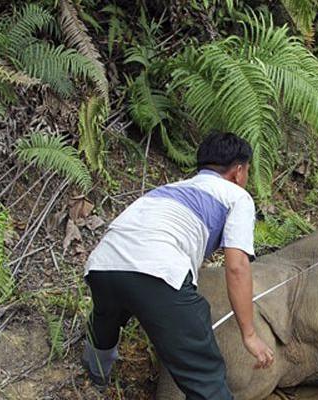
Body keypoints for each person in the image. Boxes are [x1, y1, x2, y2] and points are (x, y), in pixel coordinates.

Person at [81, 132, 274, 399]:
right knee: (204, 375)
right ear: (239, 172)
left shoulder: (171, 189)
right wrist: (249, 334)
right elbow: (237, 266)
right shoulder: (237, 196)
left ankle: (94, 379)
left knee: (105, 320)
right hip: (158, 271)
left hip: (102, 264)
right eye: (247, 172)